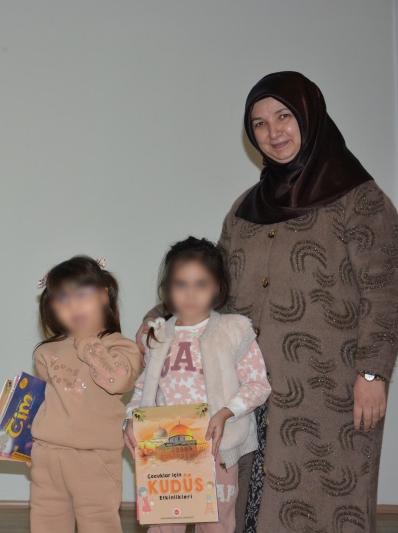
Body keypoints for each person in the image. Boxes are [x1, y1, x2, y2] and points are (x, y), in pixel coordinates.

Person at [135, 72, 398, 532]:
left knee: (332, 498)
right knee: (247, 505)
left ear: (311, 118)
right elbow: (215, 281)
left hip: (331, 391)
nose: (273, 132)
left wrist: (373, 373)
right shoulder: (246, 207)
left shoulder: (361, 201)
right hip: (246, 387)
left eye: (284, 116)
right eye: (259, 123)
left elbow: (385, 291)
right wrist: (161, 316)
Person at [125, 237, 271, 533]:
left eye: (201, 284)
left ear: (218, 287)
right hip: (165, 448)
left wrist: (225, 413)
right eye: (181, 284)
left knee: (215, 523)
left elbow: (258, 385)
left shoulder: (233, 330)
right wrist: (131, 420)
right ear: (167, 288)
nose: (190, 293)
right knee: (164, 525)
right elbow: (143, 389)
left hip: (217, 449)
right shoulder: (158, 335)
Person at [29, 256, 142, 533]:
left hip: (94, 458)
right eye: (63, 299)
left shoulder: (121, 346)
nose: (73, 306)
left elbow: (118, 379)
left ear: (103, 295)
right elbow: (42, 400)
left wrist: (88, 343)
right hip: (47, 455)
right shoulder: (47, 351)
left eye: (82, 295)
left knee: (99, 523)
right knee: (46, 523)